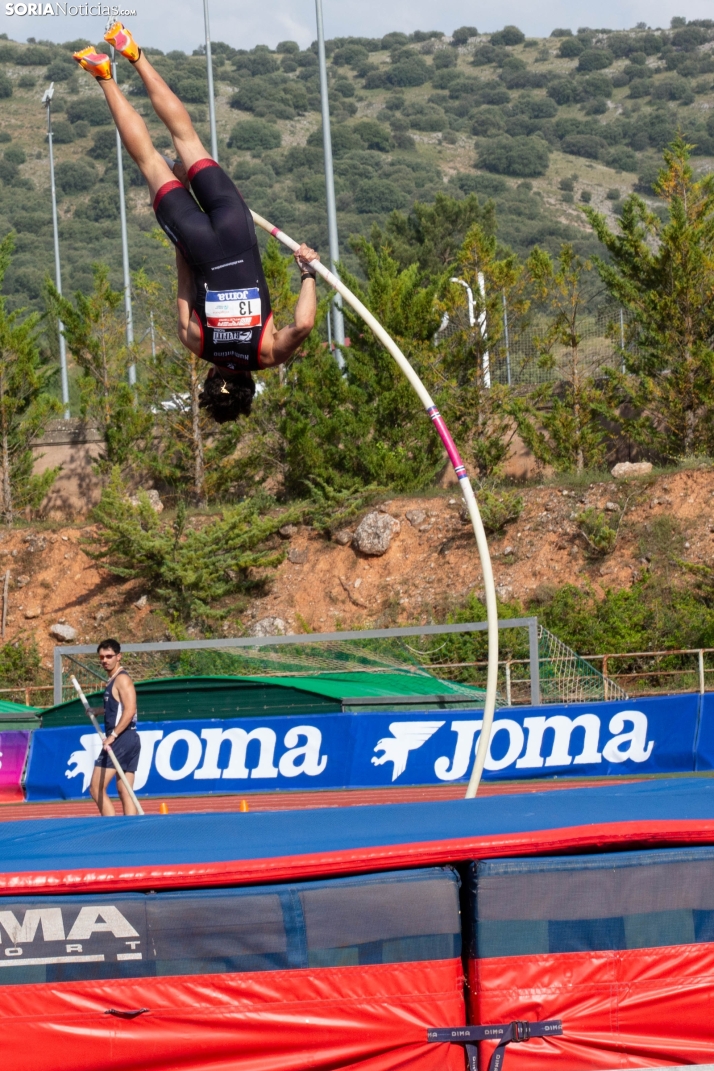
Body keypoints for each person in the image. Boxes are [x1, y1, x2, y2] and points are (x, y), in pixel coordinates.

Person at [73, 25, 320, 423]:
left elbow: (304, 323)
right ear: (210, 379)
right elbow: (184, 276)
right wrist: (183, 224)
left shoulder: (268, 354)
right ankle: (103, 75)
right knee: (151, 162)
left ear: (249, 385)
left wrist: (307, 272)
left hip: (237, 233)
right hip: (196, 243)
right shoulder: (196, 342)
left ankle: (134, 53)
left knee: (185, 138)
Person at [89, 638, 141, 816]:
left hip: (121, 738)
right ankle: (131, 833)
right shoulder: (113, 680)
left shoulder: (122, 679)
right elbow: (116, 708)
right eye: (102, 657)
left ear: (119, 656)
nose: (105, 660)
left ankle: (110, 828)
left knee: (96, 788)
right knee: (125, 790)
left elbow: (130, 709)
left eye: (109, 656)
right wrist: (99, 710)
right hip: (128, 738)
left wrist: (113, 735)